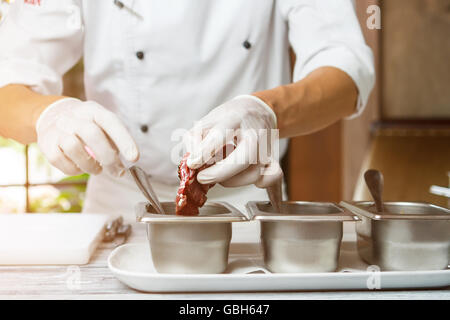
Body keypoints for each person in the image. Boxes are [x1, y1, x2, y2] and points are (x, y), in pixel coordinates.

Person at [0, 1, 374, 233]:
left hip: (244, 206)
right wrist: (49, 115)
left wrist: (264, 110)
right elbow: (7, 82)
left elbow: (345, 71)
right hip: (118, 207)